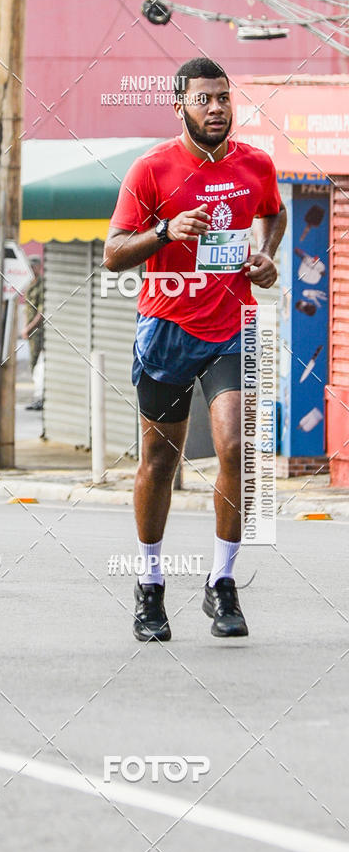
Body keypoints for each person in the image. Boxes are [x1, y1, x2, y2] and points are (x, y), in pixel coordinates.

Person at [104, 57, 286, 642]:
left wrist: (264, 256)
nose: (217, 108)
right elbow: (113, 252)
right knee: (160, 462)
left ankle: (222, 583)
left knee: (236, 445)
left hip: (233, 326)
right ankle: (150, 585)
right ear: (180, 104)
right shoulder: (151, 169)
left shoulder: (255, 165)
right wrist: (165, 231)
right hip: (167, 329)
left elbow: (273, 216)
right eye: (205, 99)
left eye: (224, 98)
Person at [22, 254, 44, 410]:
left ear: (38, 267)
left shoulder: (42, 285)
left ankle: (40, 398)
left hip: (38, 331)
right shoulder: (30, 283)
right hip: (30, 331)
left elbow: (41, 313)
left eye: (32, 266)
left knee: (37, 365)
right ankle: (38, 396)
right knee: (33, 364)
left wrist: (29, 328)